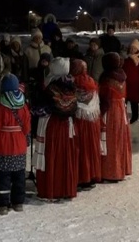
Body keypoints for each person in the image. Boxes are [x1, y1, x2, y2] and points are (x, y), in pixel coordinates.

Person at [0, 73, 31, 215]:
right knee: (19, 176)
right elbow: (27, 127)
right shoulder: (23, 105)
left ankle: (3, 205)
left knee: (3, 177)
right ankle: (18, 203)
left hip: (4, 146)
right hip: (20, 145)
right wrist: (26, 140)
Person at [35, 58, 79, 201]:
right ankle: (65, 188)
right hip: (66, 125)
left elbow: (41, 106)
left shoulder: (50, 87)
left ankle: (51, 189)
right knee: (65, 156)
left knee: (51, 155)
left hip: (51, 125)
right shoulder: (71, 85)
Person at [100, 52, 132, 182]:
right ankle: (122, 168)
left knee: (111, 140)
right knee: (120, 139)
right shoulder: (121, 75)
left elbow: (105, 97)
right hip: (120, 109)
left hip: (111, 111)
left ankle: (111, 171)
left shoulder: (107, 78)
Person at [70, 58, 102, 190]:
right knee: (91, 148)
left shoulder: (73, 83)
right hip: (92, 120)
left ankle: (81, 177)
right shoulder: (92, 81)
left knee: (80, 149)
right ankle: (91, 176)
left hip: (79, 121)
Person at [123, 39, 139, 124]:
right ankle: (123, 118)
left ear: (137, 49)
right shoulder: (127, 60)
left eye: (134, 48)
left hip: (135, 86)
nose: (132, 50)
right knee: (124, 103)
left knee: (134, 103)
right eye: (131, 48)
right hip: (126, 85)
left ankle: (134, 119)